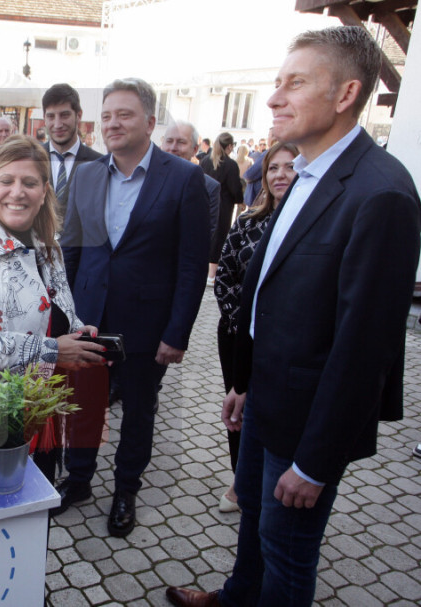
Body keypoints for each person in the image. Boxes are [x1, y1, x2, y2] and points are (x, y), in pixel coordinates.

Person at [167, 26, 421, 607]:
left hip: (307, 421)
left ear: (346, 94)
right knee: (253, 520)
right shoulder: (305, 173)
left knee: (287, 551)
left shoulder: (381, 193)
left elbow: (366, 348)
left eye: (295, 84)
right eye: (277, 83)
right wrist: (244, 383)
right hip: (265, 397)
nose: (274, 98)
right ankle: (237, 597)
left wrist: (315, 462)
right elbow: (273, 294)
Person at [55, 78, 209, 539]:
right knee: (83, 404)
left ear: (149, 121)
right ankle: (79, 479)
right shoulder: (86, 174)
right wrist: (66, 316)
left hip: (147, 324)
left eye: (124, 114)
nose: (112, 124)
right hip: (89, 318)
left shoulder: (183, 178)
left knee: (139, 411)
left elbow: (191, 264)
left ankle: (126, 490)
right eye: (106, 116)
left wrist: (177, 333)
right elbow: (71, 250)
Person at [0, 135, 105, 378]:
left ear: (44, 191)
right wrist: (53, 352)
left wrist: (77, 333)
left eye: (29, 183)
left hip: (46, 395)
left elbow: (51, 312)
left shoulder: (48, 246)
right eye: (7, 181)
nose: (17, 193)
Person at [212, 142, 297, 514]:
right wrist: (244, 325)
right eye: (273, 168)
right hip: (237, 337)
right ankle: (241, 481)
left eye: (289, 167)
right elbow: (225, 277)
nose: (280, 175)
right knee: (238, 409)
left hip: (286, 344)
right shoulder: (248, 222)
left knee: (276, 412)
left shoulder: (311, 225)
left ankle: (274, 481)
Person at [41, 83, 102, 219]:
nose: (57, 124)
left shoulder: (98, 163)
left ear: (79, 115)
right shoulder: (32, 158)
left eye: (64, 115)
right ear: (44, 118)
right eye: (51, 116)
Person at [161, 120, 221, 241]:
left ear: (195, 149)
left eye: (181, 142)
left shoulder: (209, 187)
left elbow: (203, 235)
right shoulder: (144, 178)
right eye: (169, 141)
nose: (173, 148)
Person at [200, 132, 243, 287]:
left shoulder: (205, 161)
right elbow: (235, 188)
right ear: (229, 146)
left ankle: (205, 270)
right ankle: (211, 274)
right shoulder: (230, 165)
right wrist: (240, 200)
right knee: (219, 237)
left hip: (204, 203)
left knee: (205, 233)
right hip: (223, 205)